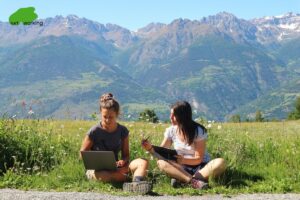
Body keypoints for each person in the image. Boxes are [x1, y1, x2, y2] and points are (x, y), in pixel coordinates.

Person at [142, 101, 226, 189]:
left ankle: (184, 180)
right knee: (160, 162)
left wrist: (183, 160)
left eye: (174, 115)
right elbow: (161, 153)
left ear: (183, 116)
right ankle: (193, 182)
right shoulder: (171, 131)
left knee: (221, 162)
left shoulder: (198, 130)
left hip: (201, 166)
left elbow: (198, 159)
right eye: (171, 114)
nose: (170, 117)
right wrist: (150, 148)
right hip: (181, 167)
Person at [80, 93, 151, 194]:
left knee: (143, 162)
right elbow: (82, 153)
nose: (108, 120)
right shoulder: (94, 131)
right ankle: (129, 180)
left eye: (111, 117)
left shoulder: (123, 131)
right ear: (100, 113)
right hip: (98, 170)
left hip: (116, 167)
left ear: (117, 115)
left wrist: (123, 161)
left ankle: (136, 183)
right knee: (106, 175)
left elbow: (126, 155)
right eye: (105, 117)